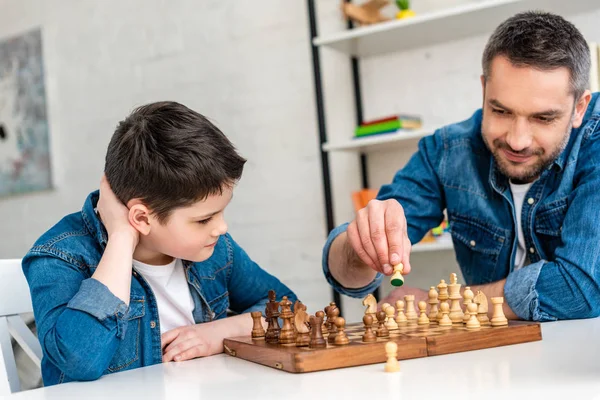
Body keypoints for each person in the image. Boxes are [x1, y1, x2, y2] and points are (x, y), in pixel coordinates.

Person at [322, 11, 600, 322]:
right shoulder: (446, 150)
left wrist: (442, 305)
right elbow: (346, 278)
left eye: (543, 118)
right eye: (501, 111)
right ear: (484, 90)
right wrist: (361, 246)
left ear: (579, 108)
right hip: (493, 363)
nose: (518, 140)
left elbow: (581, 289)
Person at [22, 101, 297, 385]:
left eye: (221, 213)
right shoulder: (59, 256)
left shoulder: (215, 250)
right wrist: (122, 238)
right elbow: (80, 362)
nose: (221, 227)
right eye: (204, 219)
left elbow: (291, 310)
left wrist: (219, 333)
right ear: (142, 218)